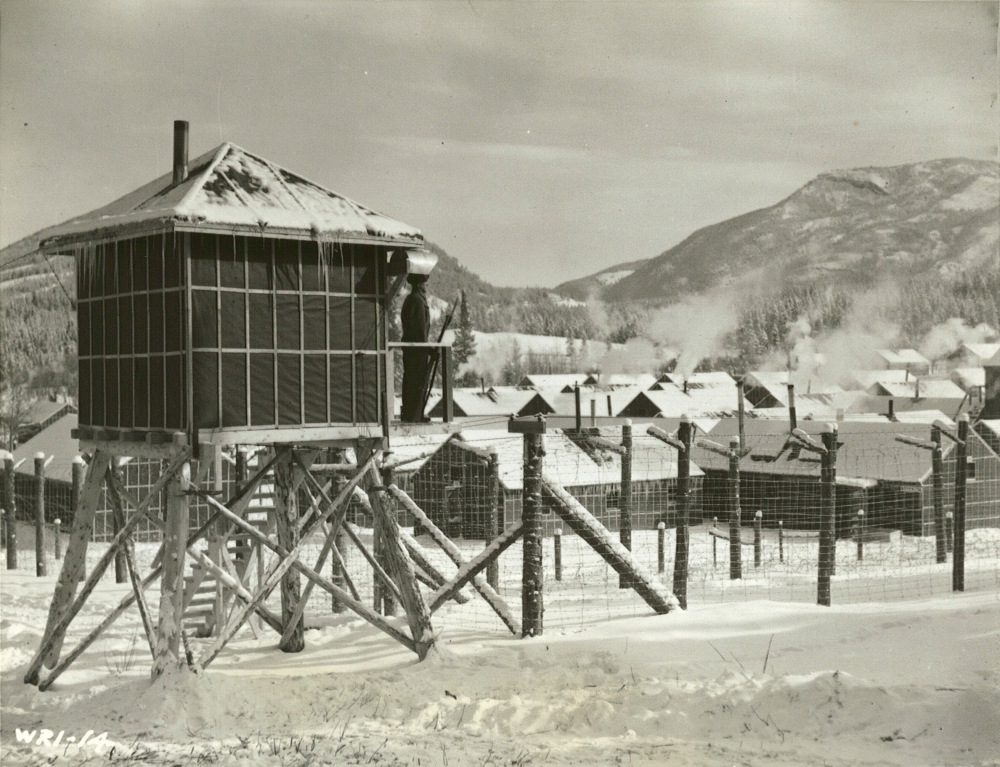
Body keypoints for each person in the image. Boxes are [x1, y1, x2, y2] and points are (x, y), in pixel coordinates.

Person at [400, 273, 431, 422]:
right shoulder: (417, 301)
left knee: (413, 380)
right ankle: (413, 415)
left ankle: (414, 413)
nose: (426, 286)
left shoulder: (412, 299)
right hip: (417, 351)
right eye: (424, 283)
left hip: (414, 349)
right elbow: (419, 330)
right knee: (416, 382)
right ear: (419, 284)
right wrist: (427, 348)